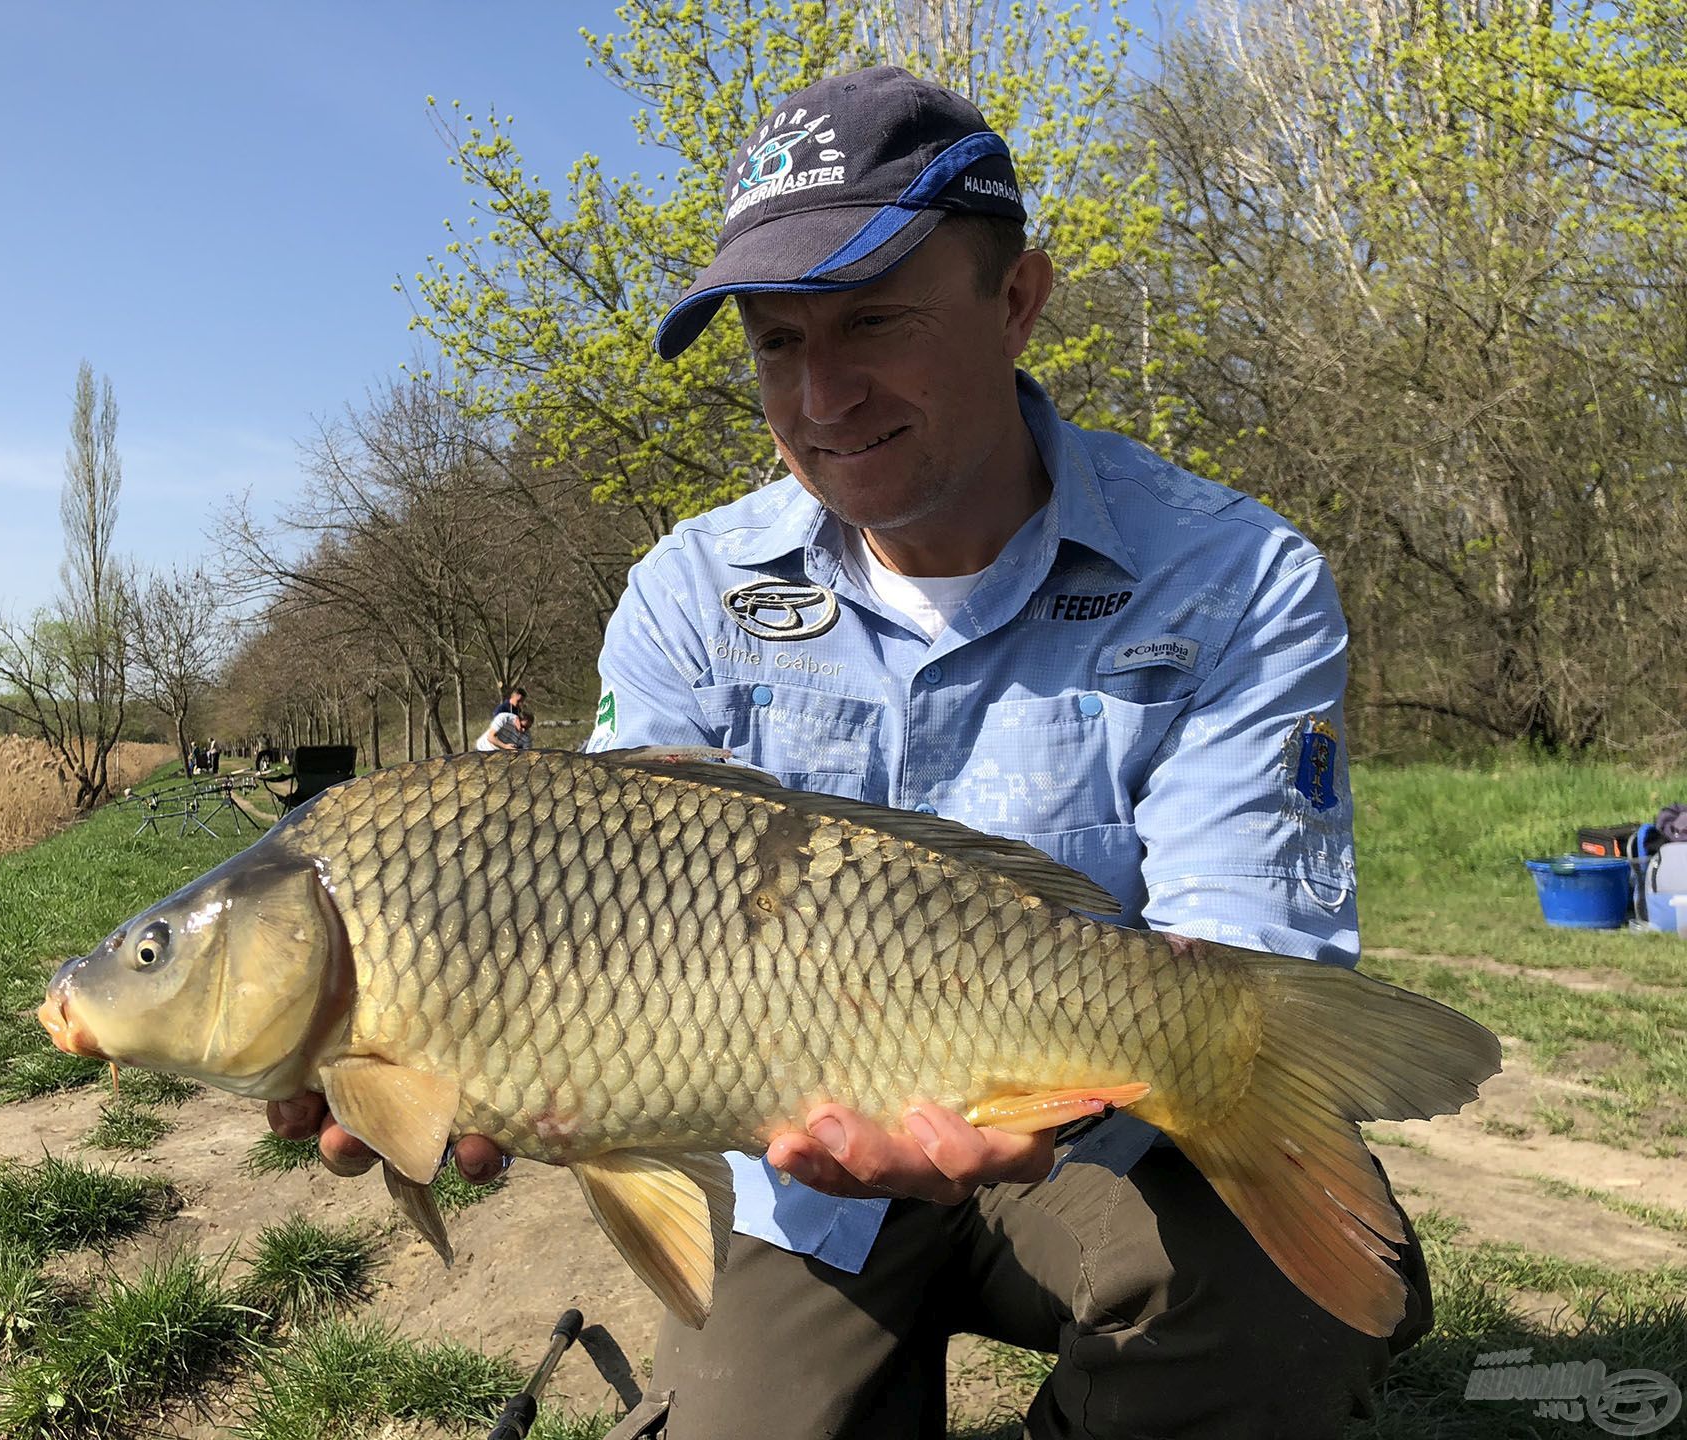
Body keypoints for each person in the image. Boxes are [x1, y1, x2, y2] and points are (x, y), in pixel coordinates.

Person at [272, 65, 1428, 1438]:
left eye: (873, 321)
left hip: (1101, 1127)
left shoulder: (1234, 577)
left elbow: (1247, 940)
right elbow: (597, 912)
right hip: (788, 1162)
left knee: (1284, 1311)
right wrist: (469, 1053)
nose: (821, 394)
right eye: (776, 345)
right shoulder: (689, 595)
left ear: (1017, 302)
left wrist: (1080, 1089)